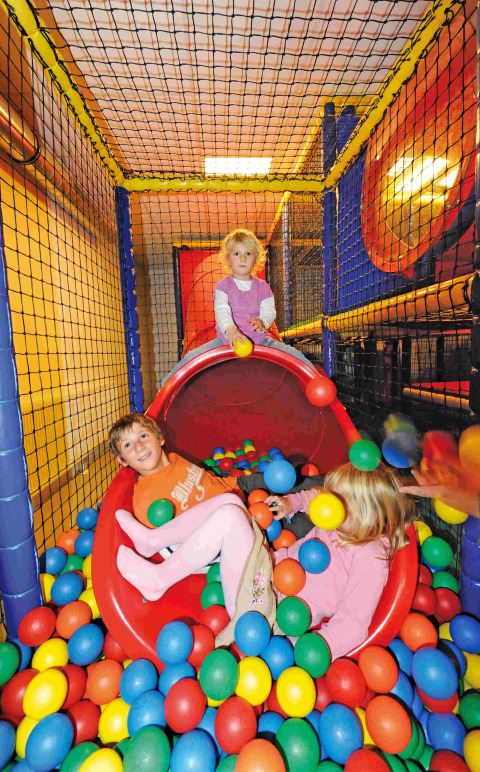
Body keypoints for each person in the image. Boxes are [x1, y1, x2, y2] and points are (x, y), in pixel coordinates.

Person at [115, 461, 414, 661]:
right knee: (232, 502)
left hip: (266, 613)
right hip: (267, 573)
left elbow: (353, 625)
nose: (327, 505)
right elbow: (315, 496)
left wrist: (300, 652)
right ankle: (153, 540)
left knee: (232, 518)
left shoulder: (370, 558)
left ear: (367, 514)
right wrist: (291, 502)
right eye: (331, 499)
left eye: (338, 502)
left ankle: (158, 581)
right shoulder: (337, 516)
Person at [161, 228, 316, 385]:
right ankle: (166, 387)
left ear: (256, 258)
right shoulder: (223, 285)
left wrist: (263, 321)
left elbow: (269, 310)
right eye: (236, 254)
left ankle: (315, 380)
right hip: (226, 340)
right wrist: (231, 330)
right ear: (228, 259)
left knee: (293, 354)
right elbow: (222, 311)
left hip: (260, 339)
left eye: (248, 253)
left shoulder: (262, 287)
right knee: (191, 357)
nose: (242, 258)